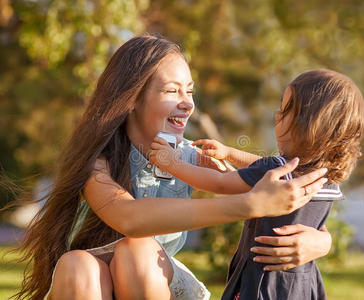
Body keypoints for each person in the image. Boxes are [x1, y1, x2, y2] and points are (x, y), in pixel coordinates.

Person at [11, 35, 331, 300]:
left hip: (155, 277)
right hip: (89, 283)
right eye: (171, 90)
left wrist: (321, 241)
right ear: (133, 98)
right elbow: (129, 218)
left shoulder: (191, 156)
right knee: (77, 264)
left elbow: (279, 189)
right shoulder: (96, 162)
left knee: (135, 253)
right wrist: (247, 206)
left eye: (189, 91)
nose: (188, 103)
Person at [150, 69, 364, 299]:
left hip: (261, 282)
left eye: (284, 112)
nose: (276, 116)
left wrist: (172, 164)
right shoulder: (326, 179)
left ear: (307, 125)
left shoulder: (277, 169)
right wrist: (230, 153)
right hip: (302, 284)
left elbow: (220, 183)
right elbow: (264, 167)